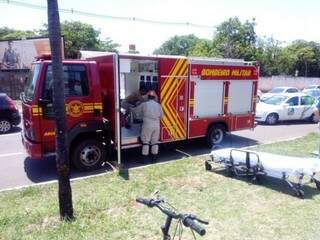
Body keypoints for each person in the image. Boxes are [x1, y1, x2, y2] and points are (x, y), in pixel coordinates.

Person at [134, 90, 163, 163]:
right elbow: (162, 116)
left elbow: (136, 111)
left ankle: (145, 160)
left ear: (148, 97)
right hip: (156, 125)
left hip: (147, 124)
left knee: (146, 142)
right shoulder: (158, 105)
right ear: (154, 97)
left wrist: (130, 108)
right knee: (154, 142)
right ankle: (154, 159)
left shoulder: (144, 104)